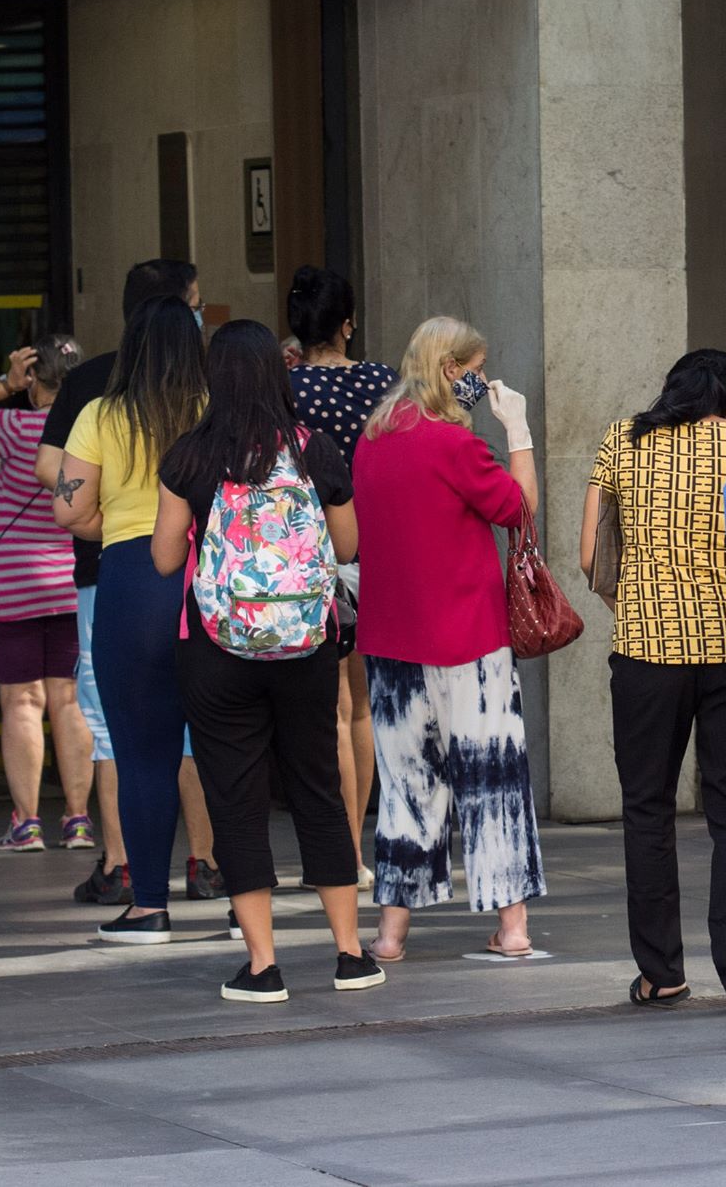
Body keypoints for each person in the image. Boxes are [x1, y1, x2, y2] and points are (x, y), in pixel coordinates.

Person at [154, 319, 382, 1001]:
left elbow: (166, 558)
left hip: (216, 650)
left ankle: (262, 966)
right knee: (317, 786)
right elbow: (346, 549)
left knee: (236, 798)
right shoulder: (316, 449)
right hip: (306, 646)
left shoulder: (190, 456)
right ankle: (350, 956)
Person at [580, 350, 726, 1015]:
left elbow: (591, 557)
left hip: (644, 651)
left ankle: (661, 973)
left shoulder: (622, 438)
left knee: (648, 811)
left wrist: (639, 605)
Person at [353, 316, 545, 960]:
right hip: (469, 637)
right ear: (449, 370)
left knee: (406, 785)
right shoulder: (453, 444)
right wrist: (516, 428)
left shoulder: (373, 440)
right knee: (490, 779)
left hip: (391, 643)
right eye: (475, 371)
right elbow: (518, 508)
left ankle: (390, 933)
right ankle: (512, 929)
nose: (480, 383)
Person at [37, 261, 223, 907]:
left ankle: (148, 905)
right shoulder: (212, 408)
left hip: (128, 584)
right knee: (221, 745)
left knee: (141, 751)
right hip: (207, 587)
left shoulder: (100, 414)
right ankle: (237, 904)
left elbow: (68, 508)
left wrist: (112, 524)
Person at [0, 335, 93, 851]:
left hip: (14, 584)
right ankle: (76, 820)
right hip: (72, 583)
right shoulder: (87, 431)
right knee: (69, 702)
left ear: (35, 379)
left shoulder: (15, 426)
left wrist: (6, 384)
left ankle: (26, 823)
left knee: (21, 703)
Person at [286, 265, 398, 882]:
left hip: (308, 555)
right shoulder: (382, 382)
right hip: (373, 551)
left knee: (330, 709)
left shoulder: (284, 389)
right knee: (361, 707)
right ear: (349, 325)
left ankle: (340, 853)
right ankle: (354, 849)